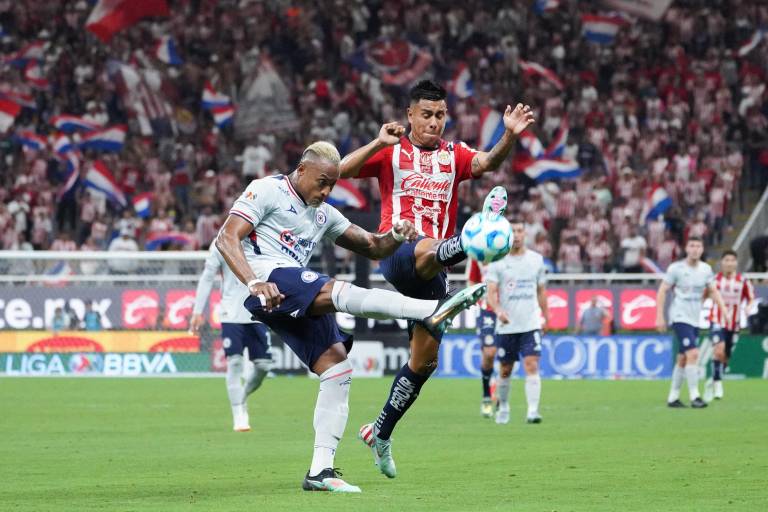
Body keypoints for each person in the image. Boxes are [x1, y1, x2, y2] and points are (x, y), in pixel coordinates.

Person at [215, 141, 485, 493]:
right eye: (322, 181)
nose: (326, 191)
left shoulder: (323, 213)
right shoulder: (268, 190)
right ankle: (432, 310)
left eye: (333, 184)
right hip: (264, 279)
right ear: (301, 170)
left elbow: (372, 246)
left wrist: (394, 236)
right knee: (339, 292)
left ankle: (320, 472)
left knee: (337, 367)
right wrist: (253, 281)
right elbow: (226, 238)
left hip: (287, 290)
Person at [339, 80, 534, 477]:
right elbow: (341, 170)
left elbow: (488, 164)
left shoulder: (454, 154)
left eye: (440, 115)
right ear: (410, 115)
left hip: (432, 270)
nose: (433, 122)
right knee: (426, 244)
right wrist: (378, 143)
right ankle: (473, 239)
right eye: (426, 115)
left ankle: (380, 432)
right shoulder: (392, 150)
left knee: (424, 363)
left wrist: (509, 135)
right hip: (396, 249)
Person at [190, 244, 272, 432]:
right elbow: (207, 277)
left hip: (257, 311)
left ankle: (240, 398)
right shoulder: (222, 241)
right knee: (234, 363)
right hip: (230, 313)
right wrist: (197, 311)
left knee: (263, 366)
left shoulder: (263, 237)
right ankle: (239, 415)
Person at [485, 220, 548, 424]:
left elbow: (541, 291)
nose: (517, 235)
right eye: (513, 231)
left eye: (520, 230)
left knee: (531, 364)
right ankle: (503, 407)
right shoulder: (497, 262)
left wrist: (545, 316)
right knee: (505, 369)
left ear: (525, 233)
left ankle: (532, 411)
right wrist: (497, 310)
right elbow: (491, 292)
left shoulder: (536, 260)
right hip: (507, 325)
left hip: (530, 323)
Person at [656, 236, 727, 409]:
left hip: (695, 319)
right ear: (686, 248)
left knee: (682, 358)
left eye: (698, 246)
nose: (695, 249)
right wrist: (660, 316)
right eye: (692, 245)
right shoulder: (676, 269)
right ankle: (695, 396)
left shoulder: (705, 269)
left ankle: (673, 398)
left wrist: (724, 310)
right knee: (694, 353)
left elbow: (713, 291)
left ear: (702, 249)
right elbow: (662, 291)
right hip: (679, 317)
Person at [704, 250, 755, 401]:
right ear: (722, 262)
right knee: (718, 350)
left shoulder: (743, 281)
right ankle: (718, 384)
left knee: (725, 357)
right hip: (717, 320)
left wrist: (748, 307)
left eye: (732, 260)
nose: (729, 263)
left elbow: (751, 299)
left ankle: (713, 379)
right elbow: (703, 295)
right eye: (726, 260)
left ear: (736, 263)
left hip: (734, 323)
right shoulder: (714, 280)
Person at [467, 258, 496, 418]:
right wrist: (476, 301)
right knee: (489, 353)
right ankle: (487, 395)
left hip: (509, 308)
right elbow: (472, 280)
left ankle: (500, 393)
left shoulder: (509, 250)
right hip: (487, 311)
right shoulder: (477, 251)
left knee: (506, 358)